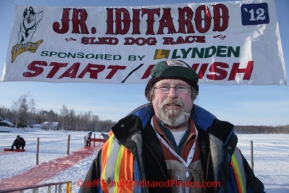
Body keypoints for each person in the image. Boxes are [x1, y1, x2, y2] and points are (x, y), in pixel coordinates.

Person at [80, 60, 264, 193]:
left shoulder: (223, 144)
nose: (173, 94)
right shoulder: (118, 145)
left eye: (181, 87)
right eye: (164, 87)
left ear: (192, 97)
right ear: (152, 97)